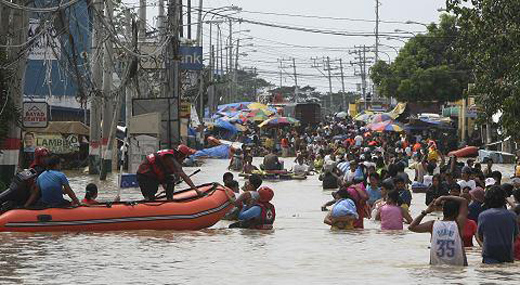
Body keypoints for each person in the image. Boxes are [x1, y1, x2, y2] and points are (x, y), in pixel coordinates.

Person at [409, 195, 469, 266]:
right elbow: (463, 201)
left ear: (443, 211)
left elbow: (411, 227)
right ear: (457, 213)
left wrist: (425, 212)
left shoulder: (433, 225)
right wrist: (443, 197)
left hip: (436, 269)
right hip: (457, 267)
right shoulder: (458, 224)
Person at [478, 185, 519, 264]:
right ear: (504, 200)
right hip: (507, 255)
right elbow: (515, 236)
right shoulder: (512, 215)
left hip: (489, 256)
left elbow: (481, 237)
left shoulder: (483, 215)